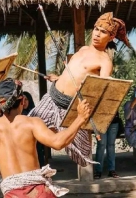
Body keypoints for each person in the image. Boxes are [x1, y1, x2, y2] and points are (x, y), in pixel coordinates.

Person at [29, 12, 130, 166]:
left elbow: (101, 88)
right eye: (96, 29)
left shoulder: (105, 61)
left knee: (82, 156)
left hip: (70, 108)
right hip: (51, 98)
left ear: (110, 37)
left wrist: (106, 82)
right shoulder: (82, 49)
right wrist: (58, 78)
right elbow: (72, 72)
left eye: (103, 32)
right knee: (28, 131)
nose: (97, 34)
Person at [0, 78, 91, 198]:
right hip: (39, 193)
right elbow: (57, 142)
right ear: (23, 100)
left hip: (12, 194)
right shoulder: (31, 123)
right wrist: (80, 119)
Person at [22, 91, 45, 167]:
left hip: (36, 143)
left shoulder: (35, 113)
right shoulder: (18, 115)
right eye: (22, 100)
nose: (24, 102)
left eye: (26, 99)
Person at [94, 112, 120, 179]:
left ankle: (112, 170)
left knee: (111, 145)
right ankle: (98, 171)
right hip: (101, 121)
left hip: (113, 121)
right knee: (101, 145)